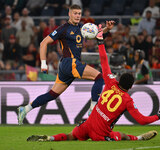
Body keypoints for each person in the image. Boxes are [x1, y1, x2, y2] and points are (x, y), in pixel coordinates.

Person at [27, 25, 160, 142]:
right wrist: (158, 116)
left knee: (70, 136)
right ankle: (139, 138)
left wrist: (100, 42)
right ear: (130, 87)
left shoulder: (110, 82)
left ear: (119, 80)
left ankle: (51, 138)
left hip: (86, 125)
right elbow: (142, 120)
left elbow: (103, 60)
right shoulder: (127, 100)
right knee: (122, 136)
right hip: (100, 134)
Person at [17, 4, 114, 125]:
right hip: (70, 63)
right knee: (99, 78)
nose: (78, 16)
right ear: (69, 13)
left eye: (79, 13)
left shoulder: (81, 28)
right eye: (75, 13)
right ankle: (93, 110)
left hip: (66, 66)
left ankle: (25, 109)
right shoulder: (63, 29)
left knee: (52, 94)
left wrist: (107, 29)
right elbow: (43, 43)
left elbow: (96, 34)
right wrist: (43, 63)